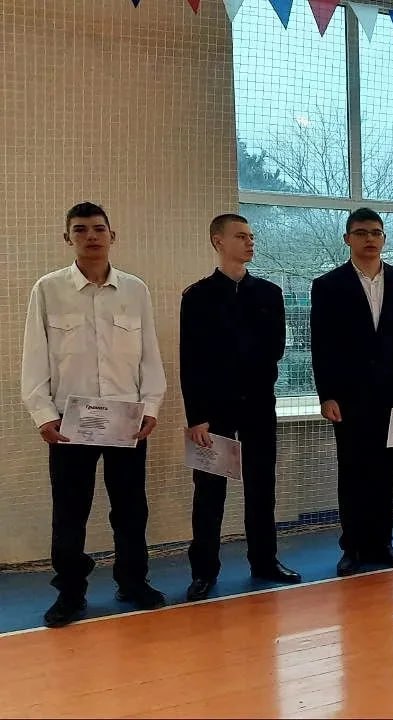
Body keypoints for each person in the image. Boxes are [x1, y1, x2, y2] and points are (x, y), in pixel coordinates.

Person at [21, 202, 166, 628]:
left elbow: (149, 354)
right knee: (70, 511)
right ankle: (70, 592)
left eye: (99, 229)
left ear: (112, 235)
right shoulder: (48, 289)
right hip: (71, 423)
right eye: (80, 229)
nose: (91, 236)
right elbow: (34, 356)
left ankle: (133, 582)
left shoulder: (135, 290)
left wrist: (151, 407)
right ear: (68, 237)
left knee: (130, 509)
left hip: (126, 420)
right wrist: (42, 415)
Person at [180, 214, 301, 602]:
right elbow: (191, 361)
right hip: (213, 411)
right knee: (209, 491)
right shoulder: (197, 296)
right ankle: (204, 571)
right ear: (218, 241)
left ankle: (264, 561)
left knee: (262, 487)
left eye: (251, 236)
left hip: (258, 405)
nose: (250, 242)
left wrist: (241, 362)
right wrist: (196, 417)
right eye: (240, 236)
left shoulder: (269, 293)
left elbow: (275, 349)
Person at [310, 208, 393, 577]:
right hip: (348, 397)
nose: (369, 239)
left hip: (392, 393)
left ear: (384, 239)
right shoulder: (327, 286)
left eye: (376, 233)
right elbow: (321, 346)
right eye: (361, 233)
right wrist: (326, 395)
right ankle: (353, 547)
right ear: (348, 239)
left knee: (387, 472)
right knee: (353, 472)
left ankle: (382, 543)